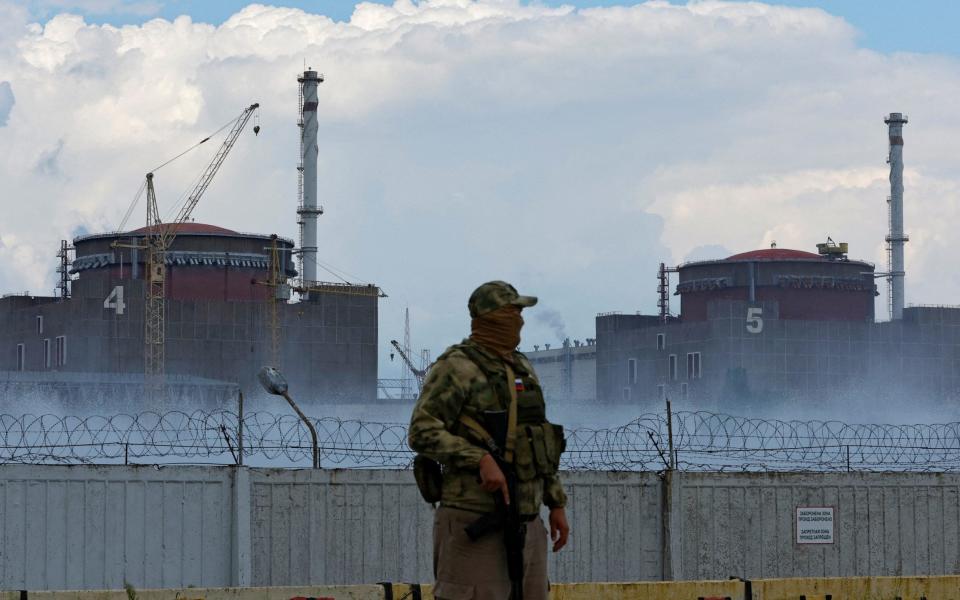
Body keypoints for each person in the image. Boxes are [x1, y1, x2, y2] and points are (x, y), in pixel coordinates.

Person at [408, 280, 570, 600]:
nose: (520, 320)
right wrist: (478, 458)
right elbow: (422, 431)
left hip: (527, 522)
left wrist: (555, 503)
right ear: (491, 317)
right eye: (513, 311)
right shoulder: (456, 367)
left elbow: (539, 440)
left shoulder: (521, 367)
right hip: (474, 519)